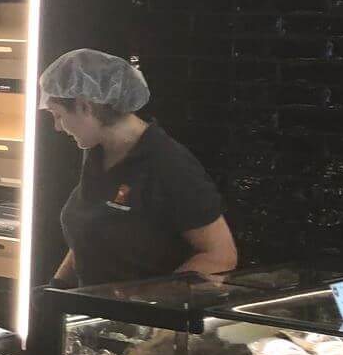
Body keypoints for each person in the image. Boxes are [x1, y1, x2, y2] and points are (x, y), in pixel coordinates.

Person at [42, 49, 237, 287]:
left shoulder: (169, 164)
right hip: (91, 307)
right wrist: (56, 289)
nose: (57, 127)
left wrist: (151, 301)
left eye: (58, 115)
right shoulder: (96, 153)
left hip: (138, 310)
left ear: (85, 107)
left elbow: (220, 256)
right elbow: (88, 233)